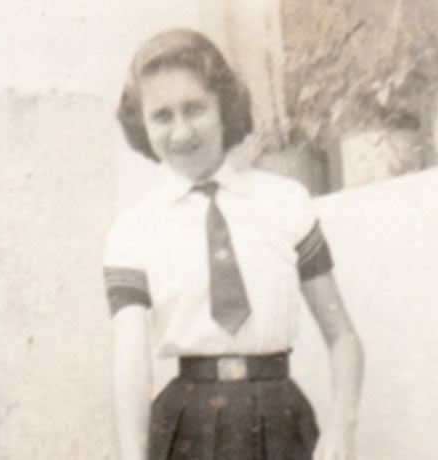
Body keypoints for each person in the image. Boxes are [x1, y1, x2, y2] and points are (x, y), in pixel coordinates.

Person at [104, 28, 364, 460]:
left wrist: (341, 431)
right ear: (141, 124)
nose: (182, 131)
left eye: (195, 109)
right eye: (162, 116)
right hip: (187, 429)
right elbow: (130, 367)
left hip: (281, 423)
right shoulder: (132, 231)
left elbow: (344, 337)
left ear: (224, 107)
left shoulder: (285, 202)